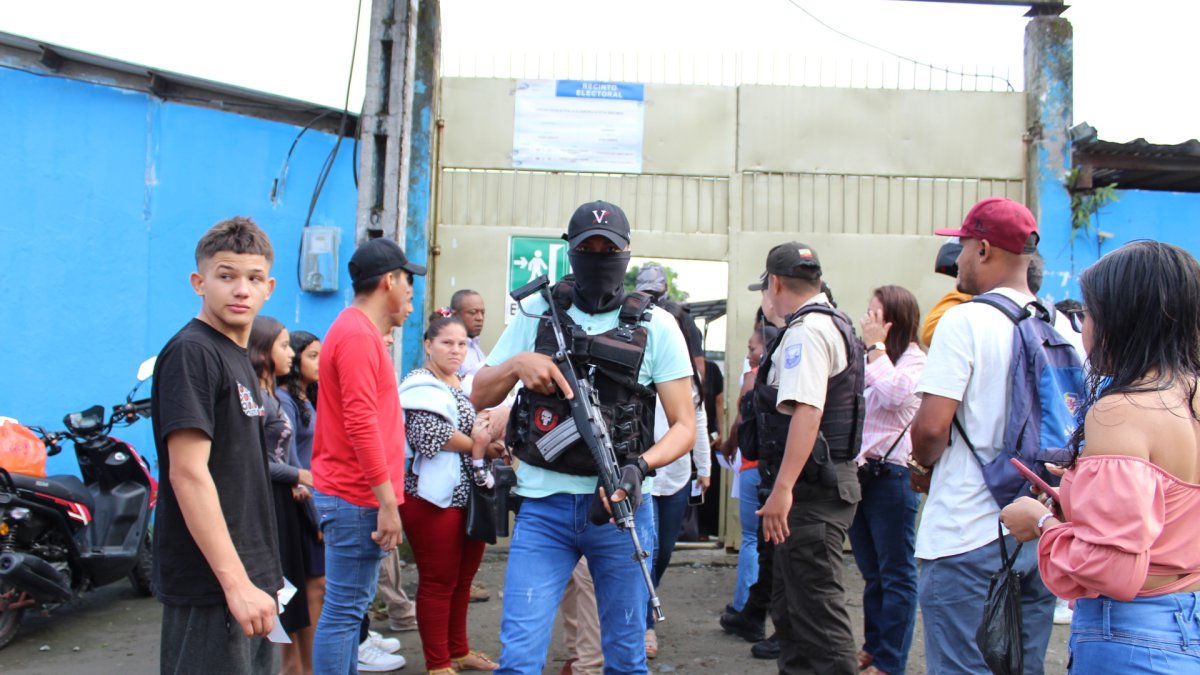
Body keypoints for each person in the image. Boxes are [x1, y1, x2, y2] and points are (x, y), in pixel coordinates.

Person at [471, 200, 696, 674]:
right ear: (569, 252)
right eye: (587, 249)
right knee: (518, 661)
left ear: (626, 253)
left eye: (607, 249)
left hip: (621, 509)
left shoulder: (658, 326)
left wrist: (641, 467)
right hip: (543, 512)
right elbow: (478, 394)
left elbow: (684, 427)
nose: (598, 257)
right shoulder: (536, 311)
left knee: (627, 661)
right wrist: (516, 364)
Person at [1000, 240, 1200, 672]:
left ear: (1122, 320)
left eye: (1087, 313)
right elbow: (1168, 514)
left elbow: (1112, 566)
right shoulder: (1189, 394)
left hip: (1132, 636)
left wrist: (1039, 522)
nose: (1083, 326)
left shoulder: (1122, 409)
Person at [909, 197, 1058, 673]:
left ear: (985, 249)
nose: (959, 255)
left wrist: (922, 465)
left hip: (965, 533)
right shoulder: (1059, 325)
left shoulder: (964, 320)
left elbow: (931, 428)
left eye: (964, 244)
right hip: (1035, 531)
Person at [150, 216, 282, 674]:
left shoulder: (236, 356)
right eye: (226, 276)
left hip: (252, 577)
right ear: (199, 282)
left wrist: (261, 577)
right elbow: (187, 471)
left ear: (269, 286)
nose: (240, 289)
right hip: (215, 585)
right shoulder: (193, 352)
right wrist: (236, 583)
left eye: (252, 278)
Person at [748, 242, 865, 674]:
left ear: (775, 283)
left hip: (809, 495)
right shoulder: (835, 323)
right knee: (793, 614)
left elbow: (807, 411)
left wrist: (782, 490)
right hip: (818, 489)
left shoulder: (806, 332)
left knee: (818, 619)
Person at [311, 237, 425, 673]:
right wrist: (386, 502)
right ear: (389, 281)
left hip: (354, 496)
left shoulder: (358, 332)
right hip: (356, 498)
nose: (408, 297)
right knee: (345, 612)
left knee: (348, 610)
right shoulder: (357, 335)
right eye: (407, 286)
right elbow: (361, 425)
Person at [398, 311, 498, 674]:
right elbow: (429, 437)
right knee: (439, 581)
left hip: (469, 497)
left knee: (462, 580)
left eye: (461, 344)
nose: (456, 350)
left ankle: (459, 650)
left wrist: (488, 441)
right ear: (428, 345)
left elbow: (477, 431)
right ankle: (437, 663)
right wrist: (480, 445)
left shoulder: (462, 384)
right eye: (446, 343)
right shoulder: (419, 384)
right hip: (431, 499)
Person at [634, 263, 712, 658]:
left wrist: (705, 468)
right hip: (643, 477)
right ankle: (643, 623)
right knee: (641, 549)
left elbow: (697, 419)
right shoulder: (636, 365)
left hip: (678, 475)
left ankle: (645, 603)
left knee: (663, 551)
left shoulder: (690, 379)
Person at [847, 286, 926, 675]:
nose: (867, 322)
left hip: (893, 478)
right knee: (872, 573)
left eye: (875, 314)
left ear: (895, 320)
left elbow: (897, 396)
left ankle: (891, 662)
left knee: (896, 575)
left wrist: (875, 349)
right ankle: (874, 648)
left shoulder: (916, 363)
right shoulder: (871, 359)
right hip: (863, 475)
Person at [248, 316, 314, 673]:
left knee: (289, 591)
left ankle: (292, 665)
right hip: (268, 504)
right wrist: (300, 475)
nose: (291, 354)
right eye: (284, 345)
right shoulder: (257, 396)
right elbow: (256, 462)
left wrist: (297, 481)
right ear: (262, 349)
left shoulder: (271, 391)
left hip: (285, 501)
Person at [448, 288, 496, 604]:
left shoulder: (476, 350)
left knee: (477, 516)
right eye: (471, 312)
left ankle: (466, 581)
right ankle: (458, 581)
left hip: (482, 444)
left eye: (481, 312)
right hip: (465, 450)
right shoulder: (453, 355)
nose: (478, 317)